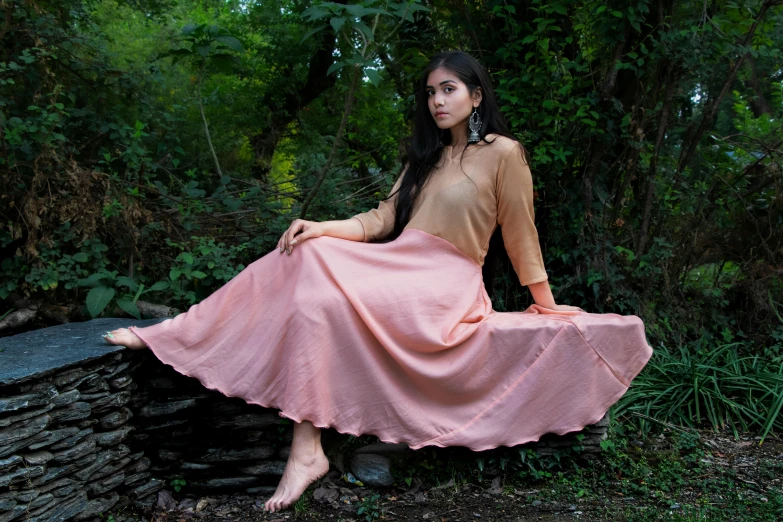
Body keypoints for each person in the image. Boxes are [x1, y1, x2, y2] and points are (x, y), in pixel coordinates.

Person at [104, 51, 652, 513]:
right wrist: (321, 226)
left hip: (445, 281)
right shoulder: (424, 159)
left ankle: (202, 356)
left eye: (449, 89)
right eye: (430, 92)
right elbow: (380, 221)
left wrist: (545, 303)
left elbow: (521, 235)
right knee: (309, 255)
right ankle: (295, 438)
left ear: (476, 95)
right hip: (398, 263)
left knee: (317, 278)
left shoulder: (504, 154)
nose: (437, 100)